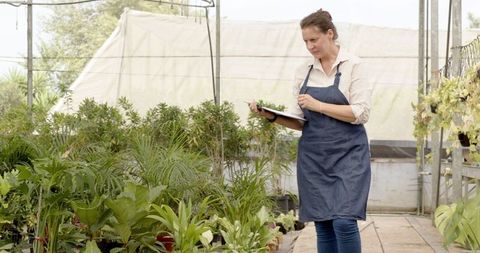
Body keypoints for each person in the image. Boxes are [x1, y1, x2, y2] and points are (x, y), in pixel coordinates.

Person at [249, 9, 372, 253]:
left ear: (330, 34)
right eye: (305, 41)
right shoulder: (303, 70)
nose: (309, 46)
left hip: (349, 155)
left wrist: (319, 106)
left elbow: (360, 113)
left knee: (345, 221)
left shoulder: (353, 66)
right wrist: (271, 115)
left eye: (314, 40)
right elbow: (299, 121)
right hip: (314, 157)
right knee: (323, 224)